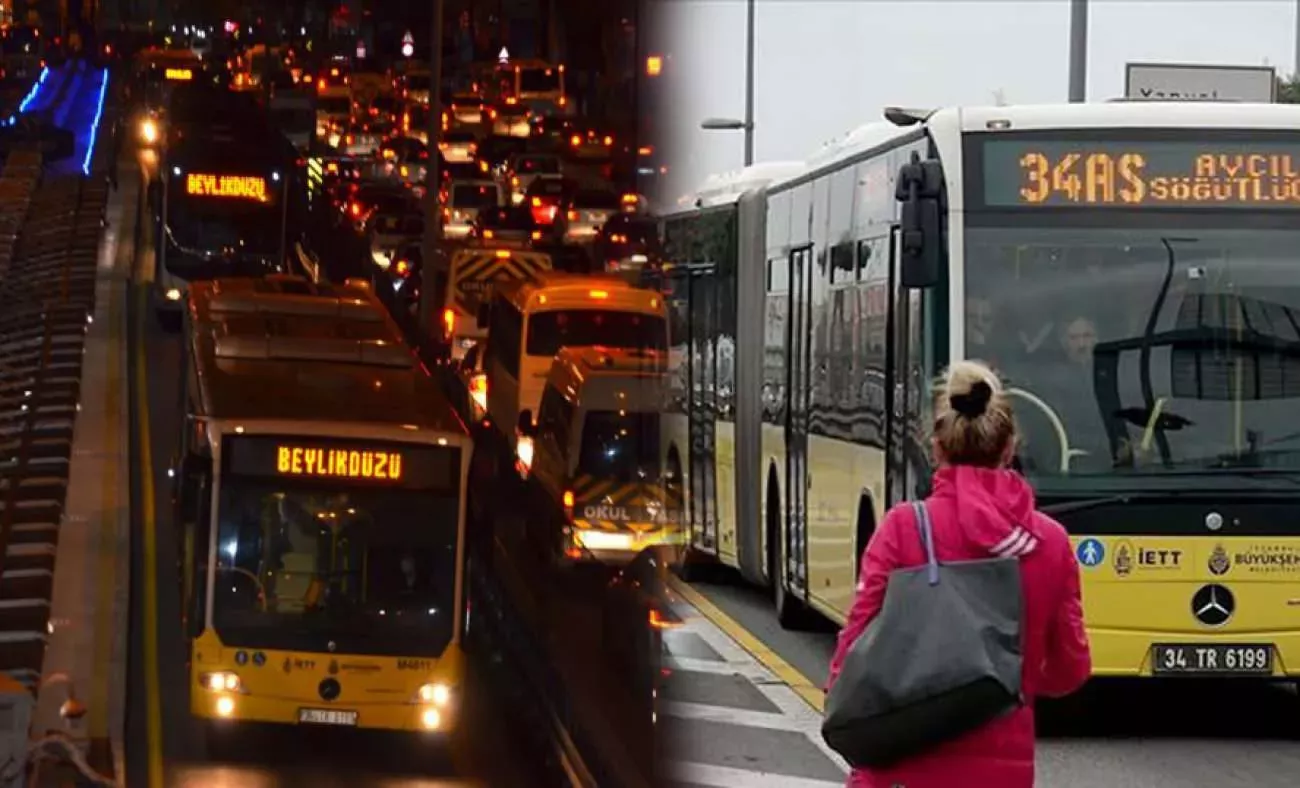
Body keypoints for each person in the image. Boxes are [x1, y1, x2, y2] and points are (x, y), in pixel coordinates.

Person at [826, 360, 1091, 788]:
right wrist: (1005, 676)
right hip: (1002, 772)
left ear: (937, 447)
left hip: (901, 768)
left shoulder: (902, 528)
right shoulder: (1050, 542)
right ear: (1010, 447)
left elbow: (850, 655)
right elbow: (1070, 670)